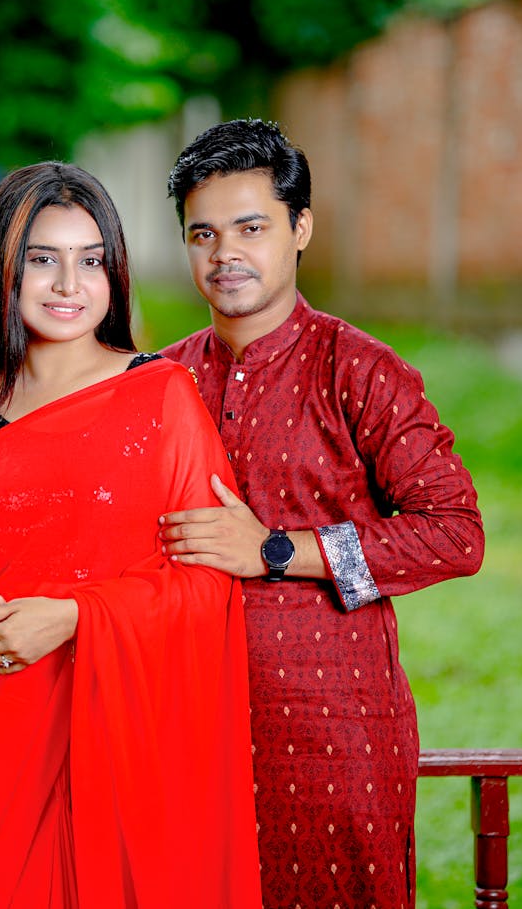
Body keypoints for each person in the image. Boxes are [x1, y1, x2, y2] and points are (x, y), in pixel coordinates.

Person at [0, 161, 262, 909]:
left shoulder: (161, 395)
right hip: (1, 738)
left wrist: (70, 618)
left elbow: (207, 581)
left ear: (115, 273)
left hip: (134, 744)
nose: (69, 283)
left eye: (91, 260)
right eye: (43, 258)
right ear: (3, 266)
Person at [159, 118, 485, 909]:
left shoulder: (360, 371)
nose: (224, 253)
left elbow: (455, 530)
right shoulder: (161, 380)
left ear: (300, 228)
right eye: (203, 233)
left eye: (250, 228)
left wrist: (274, 550)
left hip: (331, 732)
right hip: (181, 731)